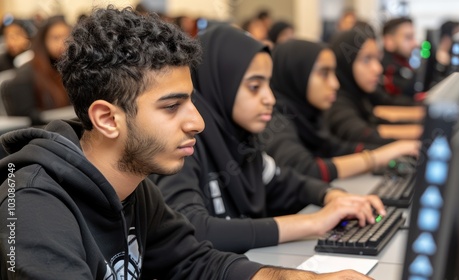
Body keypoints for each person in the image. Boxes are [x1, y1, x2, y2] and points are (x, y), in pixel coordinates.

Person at [0, 7, 372, 280]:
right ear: (107, 119)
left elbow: (199, 263)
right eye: (172, 106)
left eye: (191, 101)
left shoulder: (137, 189)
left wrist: (309, 279)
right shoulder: (31, 207)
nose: (198, 122)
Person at [151, 24, 385, 255]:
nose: (270, 99)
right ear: (221, 84)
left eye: (269, 85)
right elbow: (193, 229)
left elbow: (289, 183)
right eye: (255, 86)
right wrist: (314, 223)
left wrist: (334, 196)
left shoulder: (242, 143)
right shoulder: (184, 146)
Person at [262, 39, 420, 182]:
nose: (335, 84)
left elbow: (335, 148)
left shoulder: (309, 115)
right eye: (324, 74)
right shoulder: (273, 122)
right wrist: (376, 157)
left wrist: (394, 151)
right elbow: (306, 169)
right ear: (296, 75)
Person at [325, 25, 423, 145]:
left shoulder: (358, 96)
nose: (378, 69)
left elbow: (377, 121)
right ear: (345, 64)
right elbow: (363, 134)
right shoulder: (336, 104)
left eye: (377, 58)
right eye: (367, 60)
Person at [1, 16, 71, 123]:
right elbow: (25, 120)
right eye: (56, 37)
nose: (63, 43)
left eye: (67, 38)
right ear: (43, 41)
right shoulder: (25, 76)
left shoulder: (73, 70)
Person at [381, 17, 418, 99]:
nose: (415, 43)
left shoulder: (403, 64)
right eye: (408, 37)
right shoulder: (388, 72)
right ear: (389, 41)